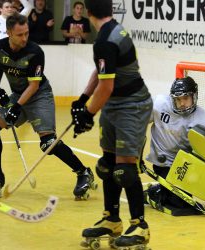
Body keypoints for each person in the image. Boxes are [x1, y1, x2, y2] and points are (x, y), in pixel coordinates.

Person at [0, 13, 95, 201]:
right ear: (9, 32)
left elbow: (34, 85)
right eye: (20, 34)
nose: (25, 38)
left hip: (39, 96)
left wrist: (17, 107)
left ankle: (83, 172)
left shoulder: (35, 52)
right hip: (18, 95)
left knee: (48, 144)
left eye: (27, 33)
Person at [72, 0, 152, 249]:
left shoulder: (107, 39)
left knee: (125, 169)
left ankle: (140, 226)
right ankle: (112, 220)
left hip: (131, 106)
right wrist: (84, 99)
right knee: (107, 165)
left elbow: (106, 86)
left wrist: (87, 114)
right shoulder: (110, 32)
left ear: (88, 11)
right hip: (114, 104)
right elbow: (102, 72)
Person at [144, 76, 205, 216]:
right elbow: (137, 122)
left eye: (186, 99)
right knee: (181, 203)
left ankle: (164, 189)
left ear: (194, 97)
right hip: (164, 163)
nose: (182, 103)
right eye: (178, 99)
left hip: (188, 166)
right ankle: (155, 192)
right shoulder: (159, 105)